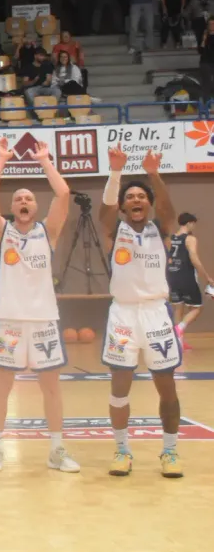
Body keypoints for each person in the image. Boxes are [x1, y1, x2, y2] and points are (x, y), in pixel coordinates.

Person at [0, 136, 79, 473]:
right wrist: (2, 160)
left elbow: (64, 194)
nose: (23, 200)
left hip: (43, 321)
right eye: (18, 198)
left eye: (29, 198)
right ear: (13, 207)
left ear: (35, 207)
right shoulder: (0, 231)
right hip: (8, 320)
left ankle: (57, 449)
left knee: (51, 388)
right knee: (1, 388)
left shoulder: (48, 232)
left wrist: (45, 160)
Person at [99, 145, 184, 477]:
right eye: (130, 197)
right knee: (120, 386)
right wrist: (116, 171)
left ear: (148, 204)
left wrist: (153, 174)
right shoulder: (113, 231)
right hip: (122, 315)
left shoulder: (160, 230)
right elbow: (104, 214)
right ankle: (122, 450)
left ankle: (170, 452)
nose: (136, 200)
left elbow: (169, 211)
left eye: (141, 197)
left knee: (167, 386)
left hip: (155, 314)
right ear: (123, 205)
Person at [167, 213, 207, 350]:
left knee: (179, 307)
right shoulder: (190, 238)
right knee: (197, 308)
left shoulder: (171, 238)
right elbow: (194, 259)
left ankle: (178, 342)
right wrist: (207, 277)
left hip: (172, 276)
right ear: (190, 223)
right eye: (194, 224)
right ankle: (180, 328)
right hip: (187, 276)